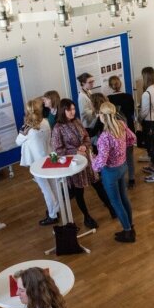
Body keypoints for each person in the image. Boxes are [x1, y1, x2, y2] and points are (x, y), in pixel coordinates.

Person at [52, 98, 116, 229]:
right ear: (62, 110)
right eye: (69, 110)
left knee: (98, 185)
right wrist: (76, 150)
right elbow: (57, 150)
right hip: (74, 164)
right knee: (79, 192)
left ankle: (112, 208)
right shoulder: (57, 128)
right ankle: (87, 217)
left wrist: (85, 146)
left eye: (74, 109)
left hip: (87, 159)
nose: (72, 112)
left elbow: (87, 137)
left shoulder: (77, 121)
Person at [92, 102, 137, 243]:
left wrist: (92, 161)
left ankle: (128, 232)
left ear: (103, 116)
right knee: (124, 198)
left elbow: (102, 161)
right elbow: (132, 138)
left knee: (116, 202)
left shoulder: (105, 137)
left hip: (110, 172)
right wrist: (121, 153)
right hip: (123, 167)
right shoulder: (121, 125)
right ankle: (130, 226)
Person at [16, 98, 60, 226]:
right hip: (49, 157)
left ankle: (52, 214)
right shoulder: (45, 122)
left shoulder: (27, 128)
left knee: (45, 189)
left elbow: (17, 141)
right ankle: (57, 209)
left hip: (37, 163)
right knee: (53, 185)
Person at [107, 75, 137, 186]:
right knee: (129, 155)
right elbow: (131, 113)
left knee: (118, 156)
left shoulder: (108, 99)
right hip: (129, 129)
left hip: (116, 132)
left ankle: (121, 179)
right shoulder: (129, 97)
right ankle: (132, 178)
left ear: (110, 86)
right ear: (120, 84)